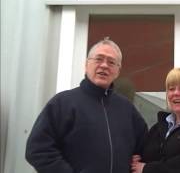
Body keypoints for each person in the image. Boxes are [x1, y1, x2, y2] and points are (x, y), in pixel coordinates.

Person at [25, 37, 148, 173]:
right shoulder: (63, 103)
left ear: (118, 71)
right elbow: (38, 150)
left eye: (111, 62)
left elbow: (145, 148)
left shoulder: (127, 109)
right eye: (99, 59)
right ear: (86, 64)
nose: (104, 65)